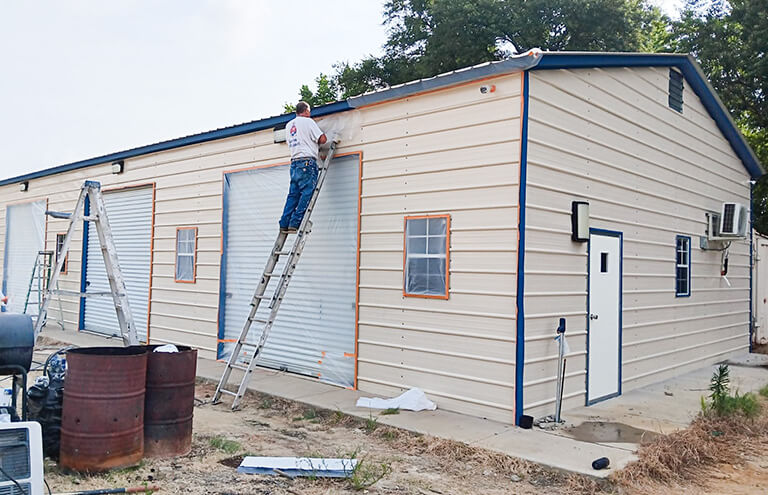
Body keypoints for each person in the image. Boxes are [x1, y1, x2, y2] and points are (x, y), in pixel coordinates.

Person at [279, 101, 328, 233]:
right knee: (307, 193)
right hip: (307, 162)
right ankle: (295, 223)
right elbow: (322, 139)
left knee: (293, 195)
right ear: (306, 111)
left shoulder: (289, 125)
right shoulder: (308, 122)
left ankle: (284, 222)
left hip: (294, 163)